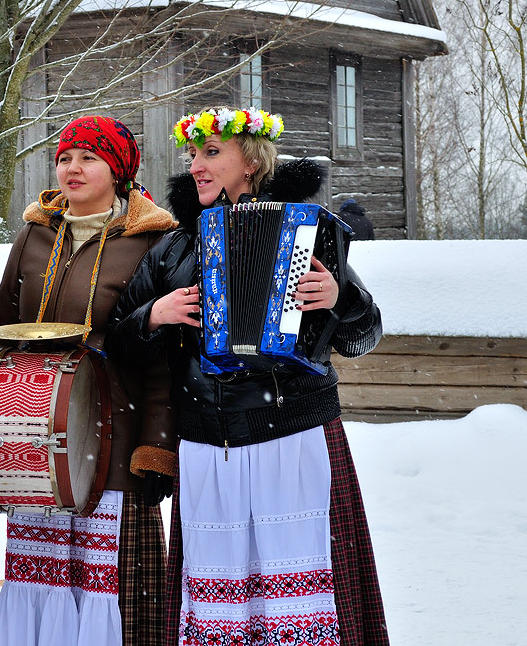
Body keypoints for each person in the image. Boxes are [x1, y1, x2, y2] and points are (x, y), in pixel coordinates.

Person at [108, 106, 390, 646]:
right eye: (193, 154)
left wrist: (341, 297)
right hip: (209, 447)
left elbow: (364, 335)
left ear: (253, 163)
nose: (195, 166)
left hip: (294, 439)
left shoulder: (310, 236)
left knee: (303, 602)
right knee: (220, 605)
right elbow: (119, 345)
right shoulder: (173, 249)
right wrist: (154, 315)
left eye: (212, 153)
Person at [0, 115, 177, 646]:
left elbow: (163, 357)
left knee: (113, 591)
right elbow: (0, 332)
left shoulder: (151, 242)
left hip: (115, 434)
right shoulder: (34, 234)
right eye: (65, 157)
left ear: (118, 171)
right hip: (34, 437)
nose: (73, 168)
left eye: (89, 158)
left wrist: (156, 447)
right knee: (41, 583)